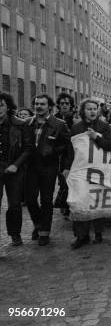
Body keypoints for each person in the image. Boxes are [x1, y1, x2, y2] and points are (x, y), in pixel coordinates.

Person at [68, 99, 111, 249]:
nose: (93, 111)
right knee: (80, 200)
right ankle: (81, 236)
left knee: (97, 199)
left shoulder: (104, 126)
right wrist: (66, 168)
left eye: (95, 108)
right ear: (83, 111)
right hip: (81, 169)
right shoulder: (76, 128)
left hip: (98, 170)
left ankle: (98, 233)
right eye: (89, 109)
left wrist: (96, 137)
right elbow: (70, 150)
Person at [24, 94, 71, 246]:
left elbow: (67, 148)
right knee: (30, 199)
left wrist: (64, 165)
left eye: (42, 104)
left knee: (46, 200)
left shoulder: (59, 124)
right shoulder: (27, 123)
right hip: (30, 166)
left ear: (49, 106)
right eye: (37, 104)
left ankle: (44, 232)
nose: (39, 106)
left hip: (48, 167)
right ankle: (38, 224)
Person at [0, 93, 34, 247]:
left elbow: (28, 148)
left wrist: (16, 164)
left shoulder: (20, 124)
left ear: (8, 106)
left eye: (1, 105)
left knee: (14, 205)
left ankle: (15, 233)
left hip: (14, 168)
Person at [54, 92, 77, 218]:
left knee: (72, 180)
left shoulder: (75, 120)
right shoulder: (54, 119)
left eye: (67, 103)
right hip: (60, 155)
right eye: (62, 103)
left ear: (71, 105)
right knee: (63, 180)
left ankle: (68, 204)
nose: (64, 106)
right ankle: (64, 204)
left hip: (73, 154)